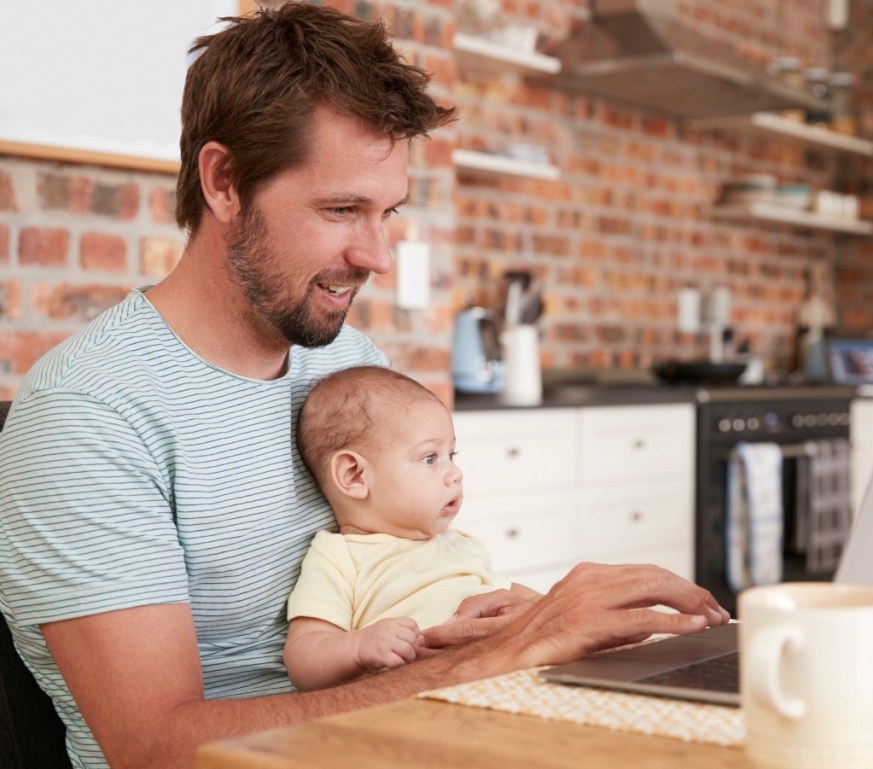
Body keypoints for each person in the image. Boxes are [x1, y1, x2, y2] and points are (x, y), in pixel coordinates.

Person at [0, 5, 728, 769]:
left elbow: (392, 576)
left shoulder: (344, 363)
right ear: (223, 181)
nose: (377, 254)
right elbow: (154, 746)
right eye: (342, 208)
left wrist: (492, 619)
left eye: (388, 212)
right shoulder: (89, 417)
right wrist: (489, 660)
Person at [284, 365, 541, 690]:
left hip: (502, 678)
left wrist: (546, 606)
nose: (455, 473)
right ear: (355, 476)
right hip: (421, 698)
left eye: (452, 454)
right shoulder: (339, 557)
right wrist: (359, 647)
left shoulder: (461, 543)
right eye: (430, 458)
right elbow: (304, 657)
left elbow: (510, 600)